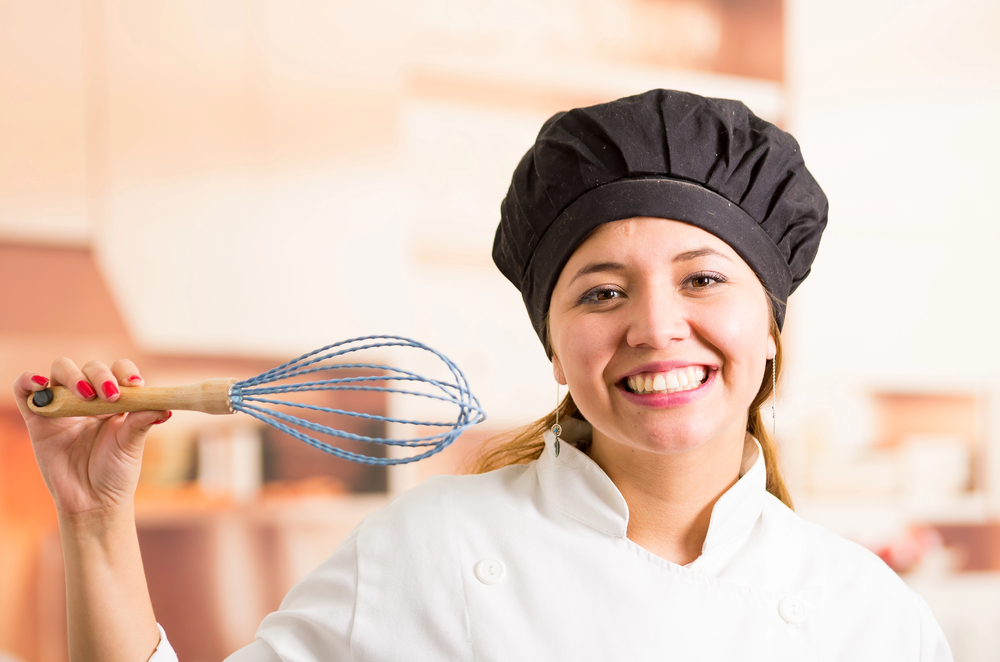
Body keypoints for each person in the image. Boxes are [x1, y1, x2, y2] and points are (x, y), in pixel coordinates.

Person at [14, 89, 952, 661]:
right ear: (554, 346)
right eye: (601, 293)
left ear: (774, 328)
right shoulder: (427, 552)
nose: (657, 328)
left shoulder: (869, 617)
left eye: (703, 279)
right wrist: (94, 521)